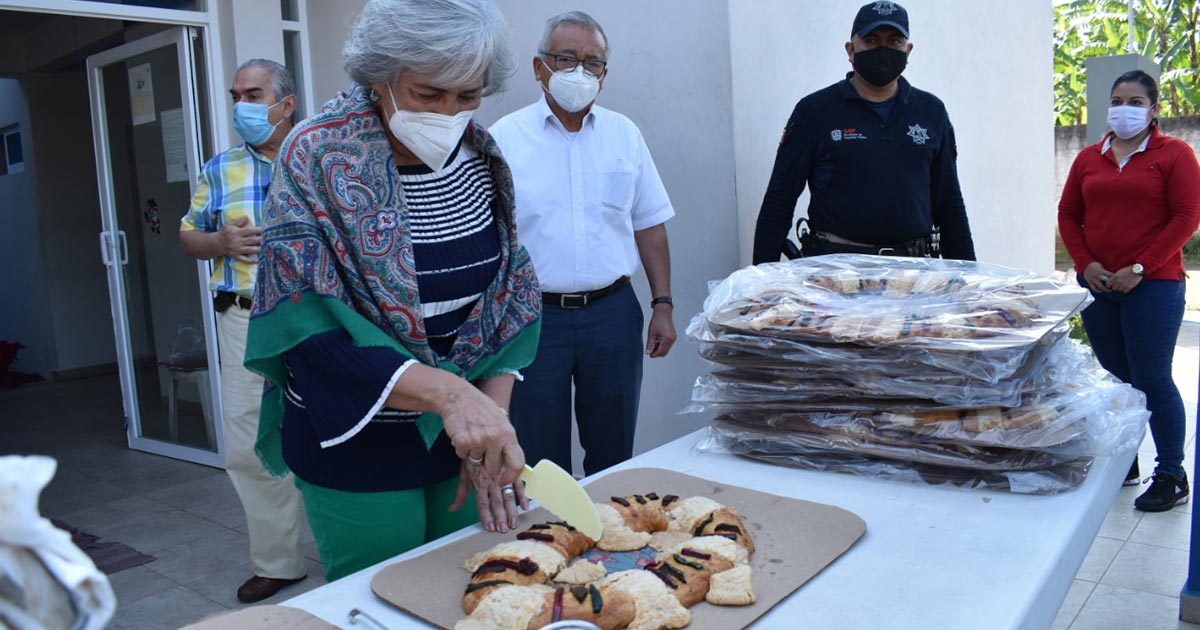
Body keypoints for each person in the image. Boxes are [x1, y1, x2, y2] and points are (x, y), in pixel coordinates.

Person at [244, 0, 541, 582]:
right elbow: (305, 323)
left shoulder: (480, 157)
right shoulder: (315, 156)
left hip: (457, 442)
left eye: (470, 96)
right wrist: (453, 399)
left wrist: (486, 424)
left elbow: (509, 297)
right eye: (430, 95)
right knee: (384, 598)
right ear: (379, 77)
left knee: (467, 585)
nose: (450, 113)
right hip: (357, 439)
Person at [489, 11, 676, 477]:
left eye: (592, 62)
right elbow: (485, 235)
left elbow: (649, 222)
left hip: (611, 316)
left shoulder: (623, 135)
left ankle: (611, 540)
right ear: (539, 68)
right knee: (538, 460)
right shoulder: (505, 139)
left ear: (604, 75)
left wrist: (663, 304)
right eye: (565, 59)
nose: (579, 71)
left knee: (613, 453)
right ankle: (543, 545)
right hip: (533, 319)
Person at [178, 59, 308, 602]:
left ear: (286, 104)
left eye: (252, 94)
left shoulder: (320, 159)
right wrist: (220, 245)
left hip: (315, 317)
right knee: (248, 442)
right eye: (235, 95)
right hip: (244, 317)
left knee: (338, 429)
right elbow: (189, 236)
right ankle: (279, 562)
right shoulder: (219, 167)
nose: (241, 107)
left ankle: (355, 547)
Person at [1058, 70, 1200, 512]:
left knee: (1152, 378)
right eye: (1118, 99)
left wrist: (1140, 267)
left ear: (1154, 109)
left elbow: (1187, 216)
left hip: (1153, 285)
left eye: (1136, 101)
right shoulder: (1088, 158)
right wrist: (1087, 265)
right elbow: (1067, 214)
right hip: (1099, 286)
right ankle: (1125, 462)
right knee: (1115, 380)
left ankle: (1171, 473)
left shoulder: (1174, 154)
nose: (1125, 108)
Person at [752, 1, 975, 264]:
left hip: (913, 275)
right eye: (871, 40)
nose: (883, 49)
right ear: (850, 49)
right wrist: (762, 283)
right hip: (833, 274)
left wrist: (967, 280)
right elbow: (779, 201)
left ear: (908, 49)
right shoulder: (814, 112)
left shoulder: (931, 113)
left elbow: (949, 204)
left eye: (894, 42)